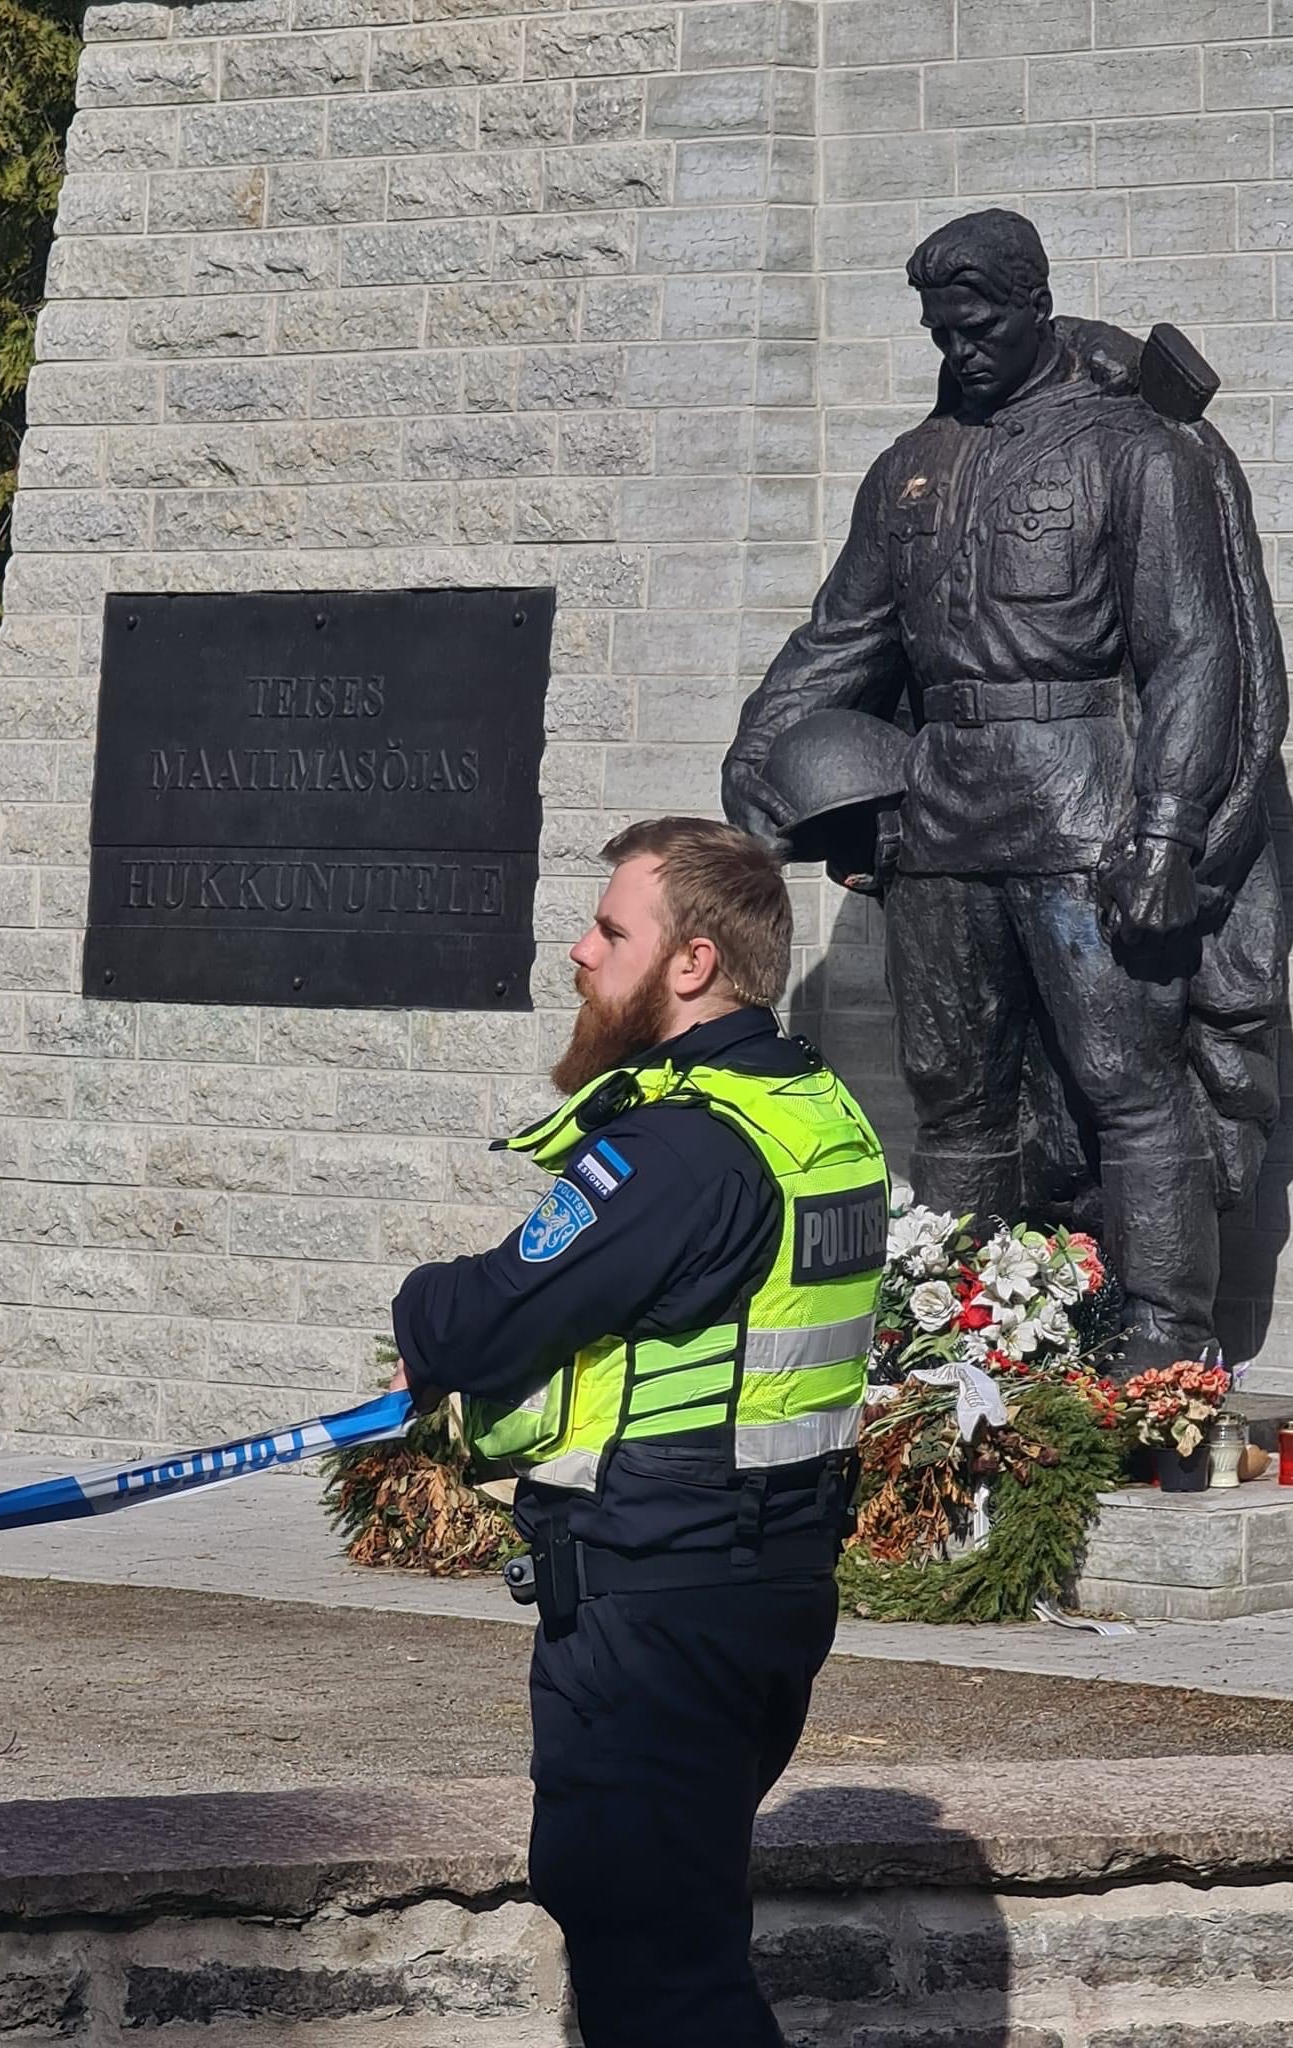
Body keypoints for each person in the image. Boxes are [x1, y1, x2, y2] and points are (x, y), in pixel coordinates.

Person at [722, 207, 1288, 1371]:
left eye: (977, 326)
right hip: (941, 813)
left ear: (1033, 306)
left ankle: (1163, 1345)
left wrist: (1169, 827)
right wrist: (758, 758)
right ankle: (968, 1331)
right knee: (955, 1089)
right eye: (941, 332)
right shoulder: (911, 466)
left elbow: (1193, 651)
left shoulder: (1135, 449)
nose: (958, 352)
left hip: (1087, 805)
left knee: (1128, 1080)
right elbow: (842, 637)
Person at [389, 816, 887, 2048]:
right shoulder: (811, 1107)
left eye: (612, 930)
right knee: (676, 1932)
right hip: (761, 1581)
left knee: (656, 1965)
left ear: (693, 963)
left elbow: (490, 1315)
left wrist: (423, 1305)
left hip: (658, 1604)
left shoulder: (681, 1147)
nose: (580, 950)